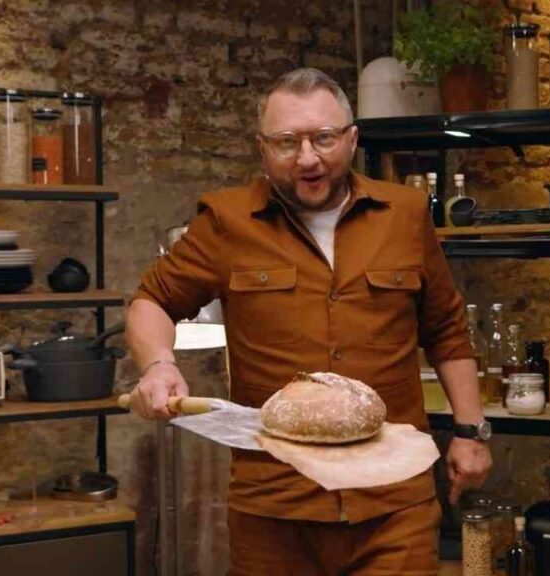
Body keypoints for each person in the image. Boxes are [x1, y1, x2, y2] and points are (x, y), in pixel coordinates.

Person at [126, 67, 492, 575]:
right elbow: (153, 300)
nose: (307, 158)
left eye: (323, 138)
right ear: (262, 148)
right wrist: (158, 365)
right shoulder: (227, 221)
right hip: (274, 512)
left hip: (393, 508)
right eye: (285, 142)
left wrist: (472, 433)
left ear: (352, 138)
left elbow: (446, 330)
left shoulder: (405, 214)